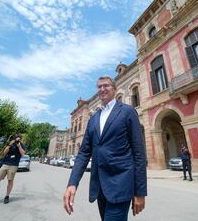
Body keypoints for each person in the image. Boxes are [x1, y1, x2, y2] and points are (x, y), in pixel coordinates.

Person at [63, 76, 147, 221]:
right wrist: (72, 183)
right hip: (100, 187)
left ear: (114, 89)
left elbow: (139, 153)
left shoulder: (127, 111)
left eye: (106, 85)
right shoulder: (94, 118)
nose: (102, 89)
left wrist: (140, 191)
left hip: (121, 184)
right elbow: (83, 153)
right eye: (99, 86)